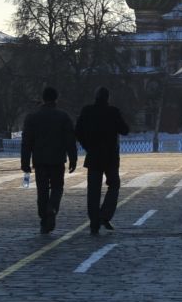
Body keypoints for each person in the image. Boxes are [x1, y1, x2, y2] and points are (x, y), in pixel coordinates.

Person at [20, 86, 78, 233]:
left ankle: (43, 218)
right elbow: (70, 140)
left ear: (43, 98)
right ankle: (52, 208)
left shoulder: (32, 117)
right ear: (56, 98)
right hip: (58, 159)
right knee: (57, 188)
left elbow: (27, 142)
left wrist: (25, 162)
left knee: (42, 190)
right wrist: (73, 158)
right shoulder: (63, 116)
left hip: (39, 160)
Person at [75, 86, 130, 236]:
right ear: (108, 98)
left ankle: (94, 223)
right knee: (114, 185)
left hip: (93, 155)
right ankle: (104, 215)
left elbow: (78, 131)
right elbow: (125, 130)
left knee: (93, 191)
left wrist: (87, 145)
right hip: (110, 156)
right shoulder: (113, 112)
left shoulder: (87, 111)